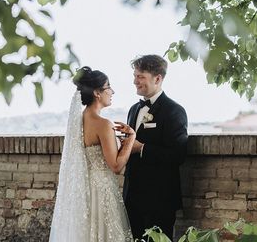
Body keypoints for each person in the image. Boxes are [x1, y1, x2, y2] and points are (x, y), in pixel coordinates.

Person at [49, 66, 135, 242]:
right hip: (102, 192)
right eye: (108, 86)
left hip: (84, 191)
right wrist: (131, 139)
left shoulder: (78, 121)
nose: (112, 91)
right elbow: (116, 165)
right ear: (97, 92)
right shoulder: (103, 124)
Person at [123, 54, 188, 240]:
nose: (135, 81)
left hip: (159, 201)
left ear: (158, 79)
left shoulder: (174, 111)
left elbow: (178, 155)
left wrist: (141, 147)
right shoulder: (133, 110)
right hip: (132, 198)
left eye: (140, 76)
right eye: (135, 76)